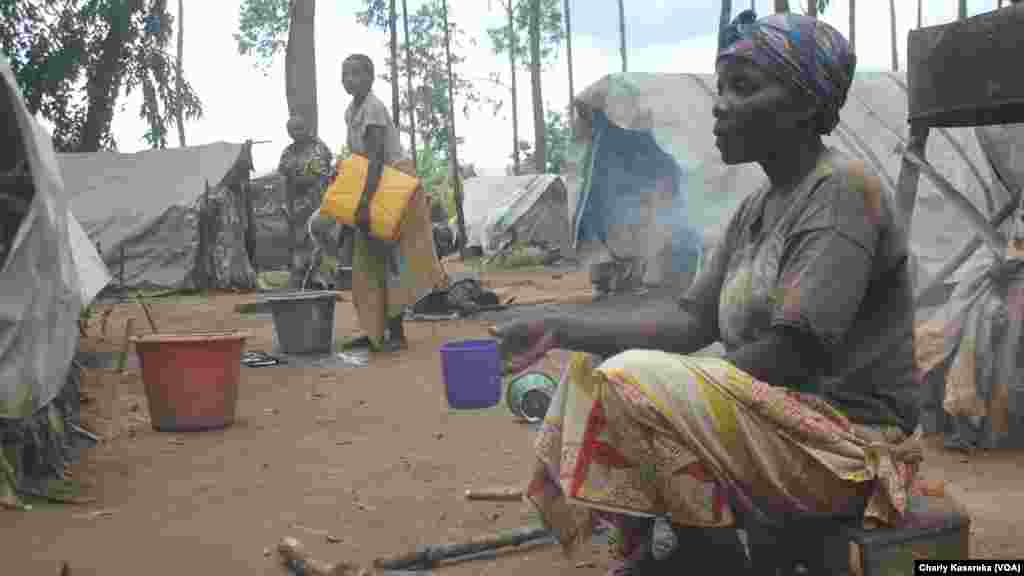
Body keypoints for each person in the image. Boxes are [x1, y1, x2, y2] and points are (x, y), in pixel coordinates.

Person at [492, 11, 921, 575]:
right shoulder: (756, 209)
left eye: (743, 87)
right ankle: (671, 547)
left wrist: (677, 395)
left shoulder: (842, 192)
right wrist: (556, 326)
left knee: (634, 384)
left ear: (804, 106)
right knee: (600, 373)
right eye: (721, 86)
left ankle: (707, 558)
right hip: (780, 425)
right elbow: (688, 322)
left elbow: (795, 354)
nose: (720, 103)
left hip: (842, 447)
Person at [340, 53, 446, 353]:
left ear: (370, 77)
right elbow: (360, 161)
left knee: (388, 258)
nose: (349, 80)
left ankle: (395, 332)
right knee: (367, 261)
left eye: (356, 74)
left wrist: (364, 202)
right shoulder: (351, 111)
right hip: (372, 183)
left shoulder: (373, 108)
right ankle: (374, 330)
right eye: (345, 74)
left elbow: (375, 160)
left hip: (391, 184)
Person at [277, 115, 334, 289]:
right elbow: (285, 178)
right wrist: (286, 205)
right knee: (300, 242)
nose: (296, 133)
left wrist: (307, 179)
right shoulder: (287, 152)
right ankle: (301, 279)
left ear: (306, 128)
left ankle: (324, 280)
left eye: (299, 128)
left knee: (321, 240)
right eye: (292, 130)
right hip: (297, 205)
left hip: (318, 203)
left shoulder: (319, 148)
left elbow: (325, 174)